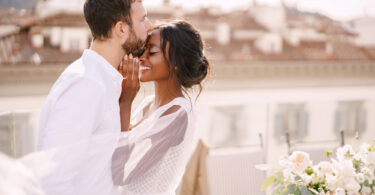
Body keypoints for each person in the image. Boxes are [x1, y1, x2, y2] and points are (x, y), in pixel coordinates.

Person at [34, 0, 151, 194]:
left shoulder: (102, 81)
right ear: (121, 29)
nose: (149, 25)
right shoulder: (87, 84)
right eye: (143, 19)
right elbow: (53, 179)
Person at [112, 20, 210, 195]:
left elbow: (121, 174)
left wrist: (125, 103)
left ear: (177, 63)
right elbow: (121, 144)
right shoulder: (149, 104)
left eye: (152, 52)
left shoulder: (178, 113)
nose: (142, 58)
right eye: (144, 50)